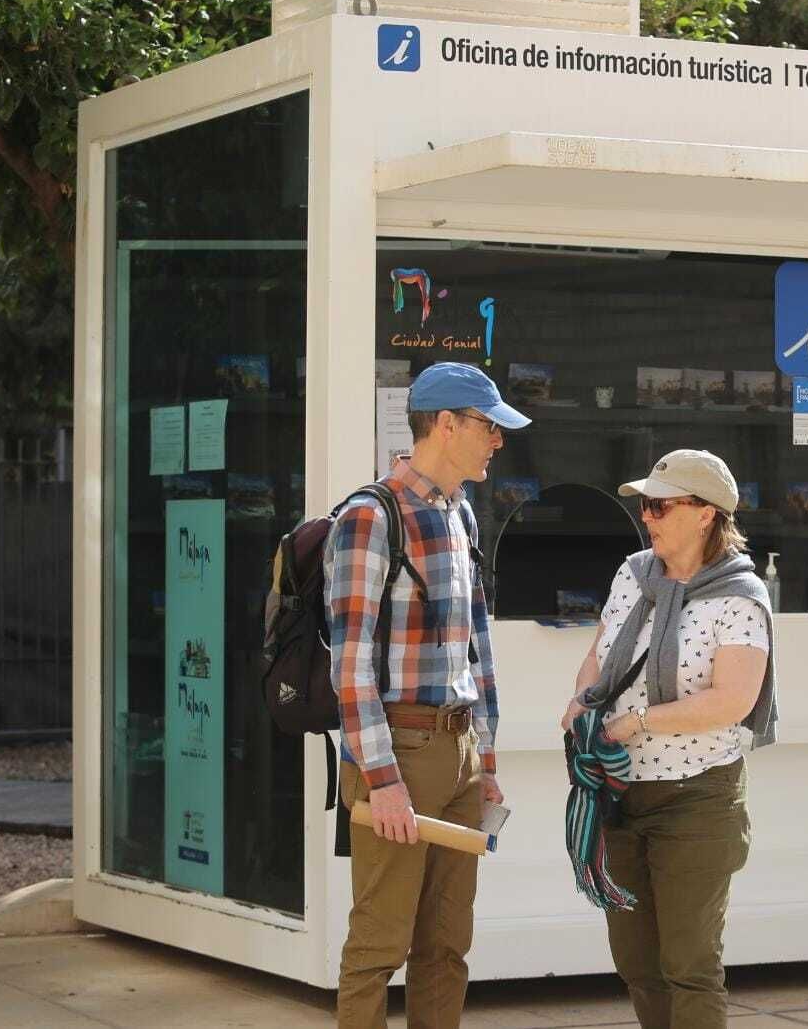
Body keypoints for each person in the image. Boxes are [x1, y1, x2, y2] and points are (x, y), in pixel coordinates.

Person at [325, 361, 529, 1029]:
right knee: (379, 946)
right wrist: (381, 779)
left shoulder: (460, 512)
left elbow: (479, 649)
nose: (497, 440)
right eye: (488, 426)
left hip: (459, 752)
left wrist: (487, 761)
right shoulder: (370, 516)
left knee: (445, 947)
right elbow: (350, 666)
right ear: (446, 425)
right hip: (401, 753)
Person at [560, 449, 777, 1029]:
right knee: (636, 959)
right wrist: (581, 703)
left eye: (659, 505)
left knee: (689, 963)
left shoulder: (740, 595)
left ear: (705, 514)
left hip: (696, 797)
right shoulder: (632, 575)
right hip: (620, 792)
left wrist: (638, 723)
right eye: (645, 505)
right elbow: (598, 657)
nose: (647, 517)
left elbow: (734, 700)